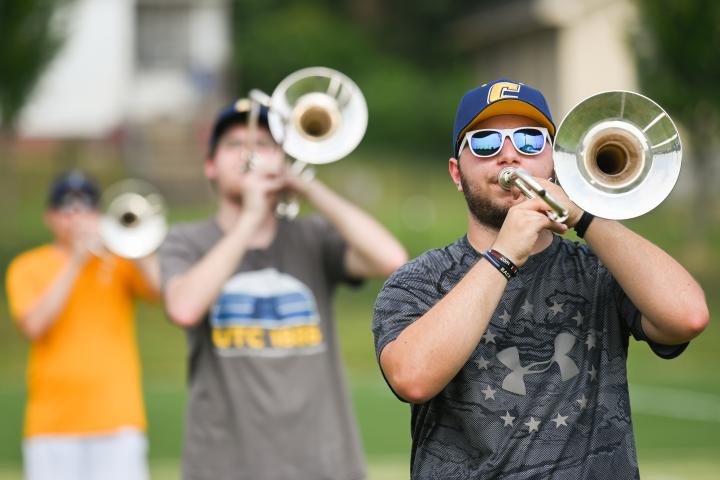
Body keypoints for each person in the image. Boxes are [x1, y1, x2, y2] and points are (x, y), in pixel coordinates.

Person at [372, 78, 709, 479]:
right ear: (456, 173)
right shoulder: (418, 281)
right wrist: (503, 256)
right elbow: (412, 378)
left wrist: (583, 218)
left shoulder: (599, 268)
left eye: (530, 140)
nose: (509, 156)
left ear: (554, 163)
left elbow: (687, 316)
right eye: (485, 143)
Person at [159, 98, 408, 480]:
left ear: (282, 159)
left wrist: (307, 189)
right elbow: (184, 308)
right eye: (233, 145)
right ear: (210, 165)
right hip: (223, 466)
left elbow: (391, 259)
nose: (249, 155)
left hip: (324, 464)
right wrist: (250, 220)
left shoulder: (313, 237)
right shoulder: (186, 241)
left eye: (262, 145)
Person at [5, 170, 161, 480]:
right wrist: (75, 261)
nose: (75, 215)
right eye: (66, 206)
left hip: (118, 421)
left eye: (86, 206)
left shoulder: (119, 261)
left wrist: (131, 244)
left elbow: (161, 291)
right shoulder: (27, 266)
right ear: (49, 216)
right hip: (52, 426)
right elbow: (34, 325)